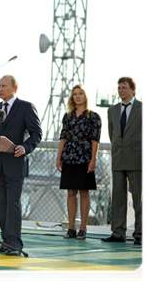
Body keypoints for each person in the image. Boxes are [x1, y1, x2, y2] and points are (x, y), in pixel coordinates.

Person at [0, 75, 42, 256]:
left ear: (15, 88)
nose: (0, 89)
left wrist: (25, 147)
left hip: (15, 163)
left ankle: (15, 244)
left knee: (12, 204)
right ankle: (5, 241)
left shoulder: (25, 107)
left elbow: (36, 133)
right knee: (1, 205)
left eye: (4, 86)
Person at [102, 77, 146, 245]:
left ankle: (141, 234)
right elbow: (113, 134)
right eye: (119, 87)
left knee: (139, 199)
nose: (121, 90)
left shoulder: (143, 109)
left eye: (124, 87)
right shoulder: (112, 110)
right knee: (118, 199)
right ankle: (118, 232)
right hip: (118, 159)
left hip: (137, 159)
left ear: (133, 90)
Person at [56, 84, 101, 240]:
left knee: (84, 191)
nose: (77, 96)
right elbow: (63, 138)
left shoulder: (93, 116)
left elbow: (95, 140)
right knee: (70, 192)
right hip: (69, 155)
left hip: (85, 156)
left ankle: (83, 227)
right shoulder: (67, 117)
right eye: (75, 94)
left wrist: (93, 160)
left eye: (80, 93)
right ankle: (71, 228)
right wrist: (59, 157)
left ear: (85, 96)